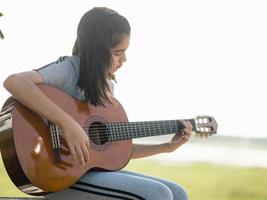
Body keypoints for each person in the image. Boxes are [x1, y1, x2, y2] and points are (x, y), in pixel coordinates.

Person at [3, 7, 192, 200]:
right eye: (119, 52)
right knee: (158, 194)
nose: (124, 59)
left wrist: (166, 147)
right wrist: (68, 125)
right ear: (98, 51)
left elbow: (114, 153)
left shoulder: (105, 88)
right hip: (60, 177)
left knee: (178, 193)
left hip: (90, 176)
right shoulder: (69, 69)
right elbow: (14, 81)